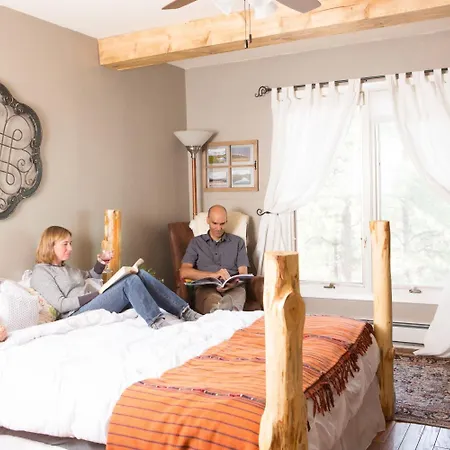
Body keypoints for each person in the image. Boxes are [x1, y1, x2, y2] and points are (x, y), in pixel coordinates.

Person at [31, 226, 201, 329]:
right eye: (65, 244)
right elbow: (61, 305)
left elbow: (89, 276)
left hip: (92, 302)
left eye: (70, 243)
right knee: (130, 282)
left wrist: (102, 263)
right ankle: (157, 322)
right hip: (75, 313)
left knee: (138, 273)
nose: (70, 248)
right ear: (51, 246)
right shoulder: (41, 273)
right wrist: (98, 294)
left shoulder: (65, 267)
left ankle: (184, 311)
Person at [180, 205, 250, 314]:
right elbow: (184, 272)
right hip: (207, 287)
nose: (218, 228)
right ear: (207, 220)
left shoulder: (238, 242)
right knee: (212, 301)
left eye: (222, 224)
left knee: (236, 298)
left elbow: (243, 273)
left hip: (233, 288)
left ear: (226, 221)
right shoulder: (196, 243)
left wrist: (233, 284)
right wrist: (213, 275)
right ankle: (219, 311)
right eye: (215, 223)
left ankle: (229, 312)